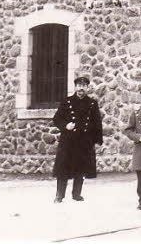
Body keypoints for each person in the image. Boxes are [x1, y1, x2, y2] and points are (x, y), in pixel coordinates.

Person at [52, 75, 103, 203]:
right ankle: (59, 195)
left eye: (84, 86)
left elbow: (97, 122)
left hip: (84, 141)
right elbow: (56, 119)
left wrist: (97, 140)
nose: (81, 88)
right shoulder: (67, 101)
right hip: (68, 141)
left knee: (81, 168)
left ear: (87, 88)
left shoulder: (92, 103)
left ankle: (76, 194)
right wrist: (65, 125)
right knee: (63, 169)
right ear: (75, 87)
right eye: (79, 86)